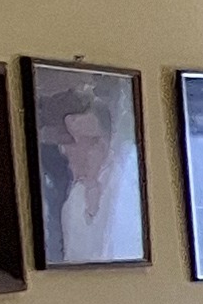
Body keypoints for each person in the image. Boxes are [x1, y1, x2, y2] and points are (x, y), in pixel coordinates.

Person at [44, 78, 142, 264]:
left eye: (79, 142)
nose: (66, 151)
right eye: (66, 143)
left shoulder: (127, 190)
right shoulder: (73, 201)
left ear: (102, 144)